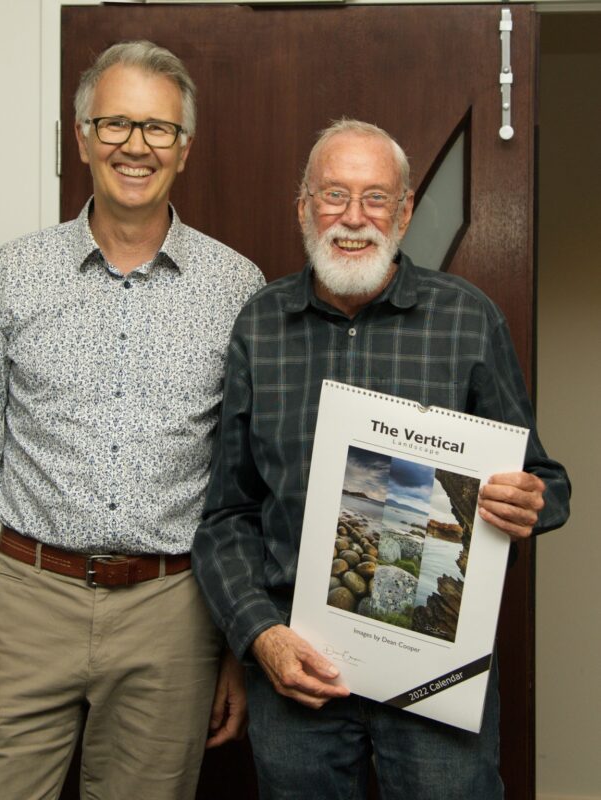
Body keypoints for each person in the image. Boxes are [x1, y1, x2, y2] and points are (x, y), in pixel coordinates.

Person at [0, 40, 264, 799]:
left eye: (157, 129)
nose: (134, 146)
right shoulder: (15, 273)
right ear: (81, 138)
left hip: (174, 615)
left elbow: (247, 480)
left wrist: (238, 642)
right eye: (114, 124)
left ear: (183, 149)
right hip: (23, 605)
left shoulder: (237, 287)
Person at [192, 119, 570, 800]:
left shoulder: (467, 318)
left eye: (375, 199)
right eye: (334, 195)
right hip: (296, 673)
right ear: (303, 208)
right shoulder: (259, 325)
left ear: (404, 213)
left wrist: (528, 502)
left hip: (435, 673)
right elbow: (226, 514)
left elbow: (546, 480)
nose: (354, 218)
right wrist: (259, 638)